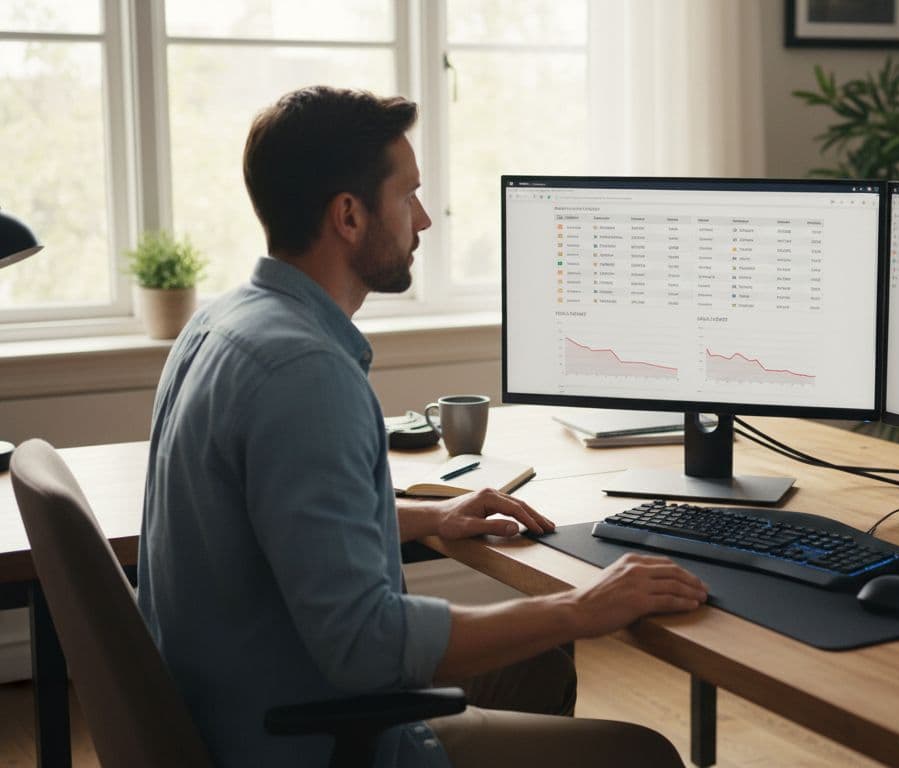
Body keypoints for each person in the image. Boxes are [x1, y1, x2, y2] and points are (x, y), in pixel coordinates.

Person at [137, 85, 707, 768]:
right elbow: (362, 646)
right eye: (408, 194)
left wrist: (428, 517)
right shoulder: (306, 374)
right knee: (643, 754)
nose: (425, 219)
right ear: (349, 215)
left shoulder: (225, 323)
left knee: (540, 666)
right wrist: (582, 607)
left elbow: (272, 524)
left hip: (227, 705)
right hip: (309, 739)